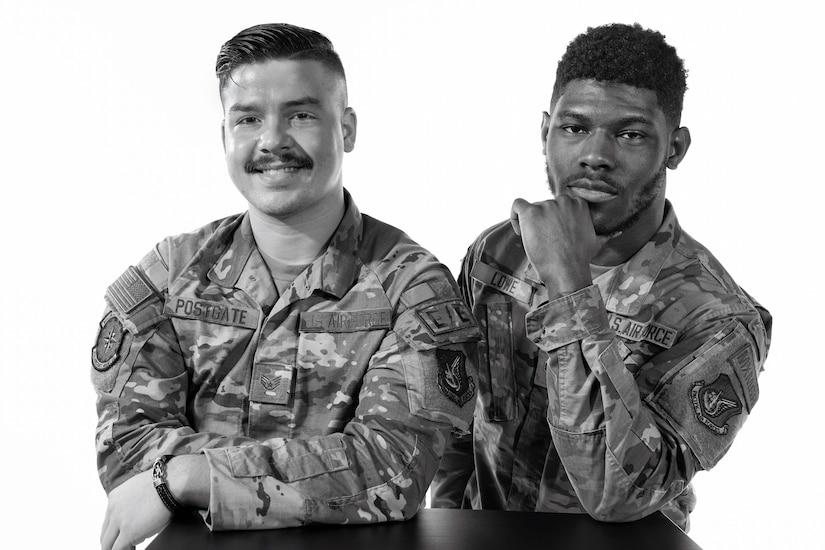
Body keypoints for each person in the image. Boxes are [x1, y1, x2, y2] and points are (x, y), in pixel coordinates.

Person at [92, 23, 481, 550]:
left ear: (346, 129)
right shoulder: (168, 278)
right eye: (249, 118)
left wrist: (188, 478)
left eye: (300, 114)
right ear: (224, 136)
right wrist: (317, 471)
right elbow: (127, 449)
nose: (272, 140)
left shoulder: (411, 289)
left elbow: (392, 469)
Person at [430, 23, 771, 531]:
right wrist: (452, 522)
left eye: (630, 134)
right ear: (545, 130)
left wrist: (568, 283)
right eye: (574, 128)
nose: (595, 155)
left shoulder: (718, 319)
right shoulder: (499, 251)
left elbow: (620, 496)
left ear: (675, 148)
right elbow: (460, 416)